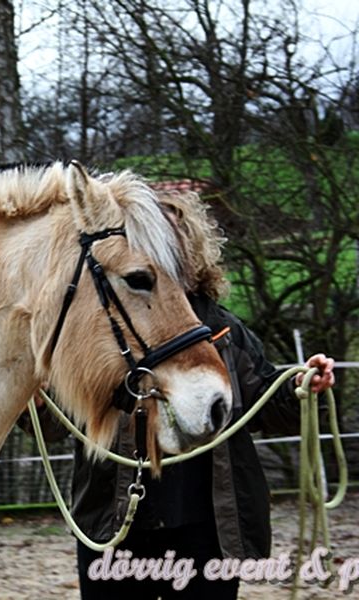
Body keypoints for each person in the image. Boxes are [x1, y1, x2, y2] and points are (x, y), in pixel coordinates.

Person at [22, 190, 335, 599]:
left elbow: (266, 404)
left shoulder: (225, 331)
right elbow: (57, 426)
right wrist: (39, 402)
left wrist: (302, 389)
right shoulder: (103, 329)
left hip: (205, 527)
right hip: (117, 524)